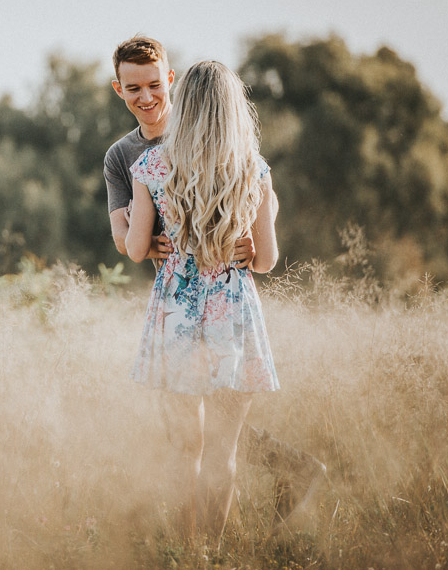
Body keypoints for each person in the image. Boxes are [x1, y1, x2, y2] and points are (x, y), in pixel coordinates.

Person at [104, 37, 324, 532]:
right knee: (225, 454)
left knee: (186, 452)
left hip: (177, 316)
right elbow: (266, 261)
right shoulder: (254, 170)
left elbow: (137, 249)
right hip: (233, 314)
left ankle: (187, 556)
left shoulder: (151, 167)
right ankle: (213, 555)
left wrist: (142, 235)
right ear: (234, 110)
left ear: (181, 99)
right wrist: (244, 242)